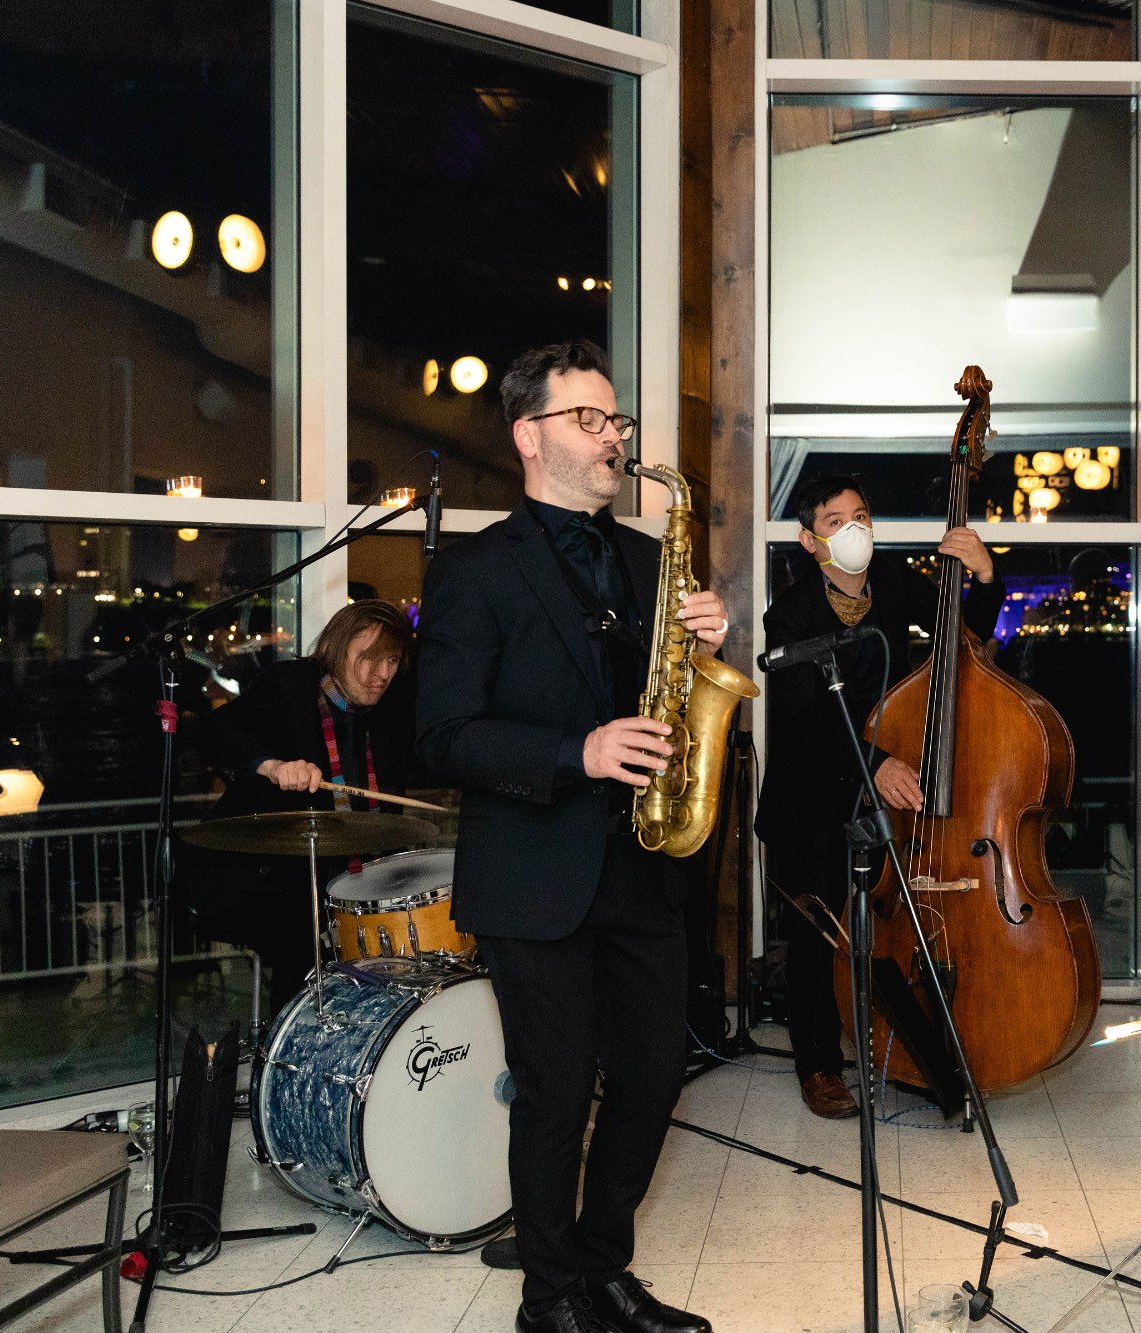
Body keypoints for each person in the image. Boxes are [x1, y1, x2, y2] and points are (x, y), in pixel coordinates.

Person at [416, 339, 721, 1333]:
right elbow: (443, 733)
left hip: (641, 861)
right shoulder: (471, 571)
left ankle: (601, 1267)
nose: (613, 437)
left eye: (617, 419)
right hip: (531, 873)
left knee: (651, 1075)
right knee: (554, 1094)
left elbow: (665, 697)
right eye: (589, 419)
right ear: (527, 435)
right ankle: (547, 1298)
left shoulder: (646, 561)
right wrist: (576, 751)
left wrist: (699, 640)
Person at [754, 473, 1006, 1119]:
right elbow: (805, 720)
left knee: (893, 925)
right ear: (810, 540)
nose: (854, 529)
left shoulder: (896, 584)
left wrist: (983, 576)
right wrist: (877, 762)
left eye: (861, 514)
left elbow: (963, 641)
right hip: (814, 793)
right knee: (818, 932)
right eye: (836, 520)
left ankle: (909, 1042)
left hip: (886, 786)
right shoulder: (789, 614)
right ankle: (819, 1066)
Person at [183, 599, 415, 1015]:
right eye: (368, 659)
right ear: (337, 648)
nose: (382, 675)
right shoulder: (290, 684)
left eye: (393, 660)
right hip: (260, 878)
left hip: (348, 881)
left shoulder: (392, 709)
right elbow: (218, 730)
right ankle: (289, 1061)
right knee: (303, 949)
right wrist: (271, 767)